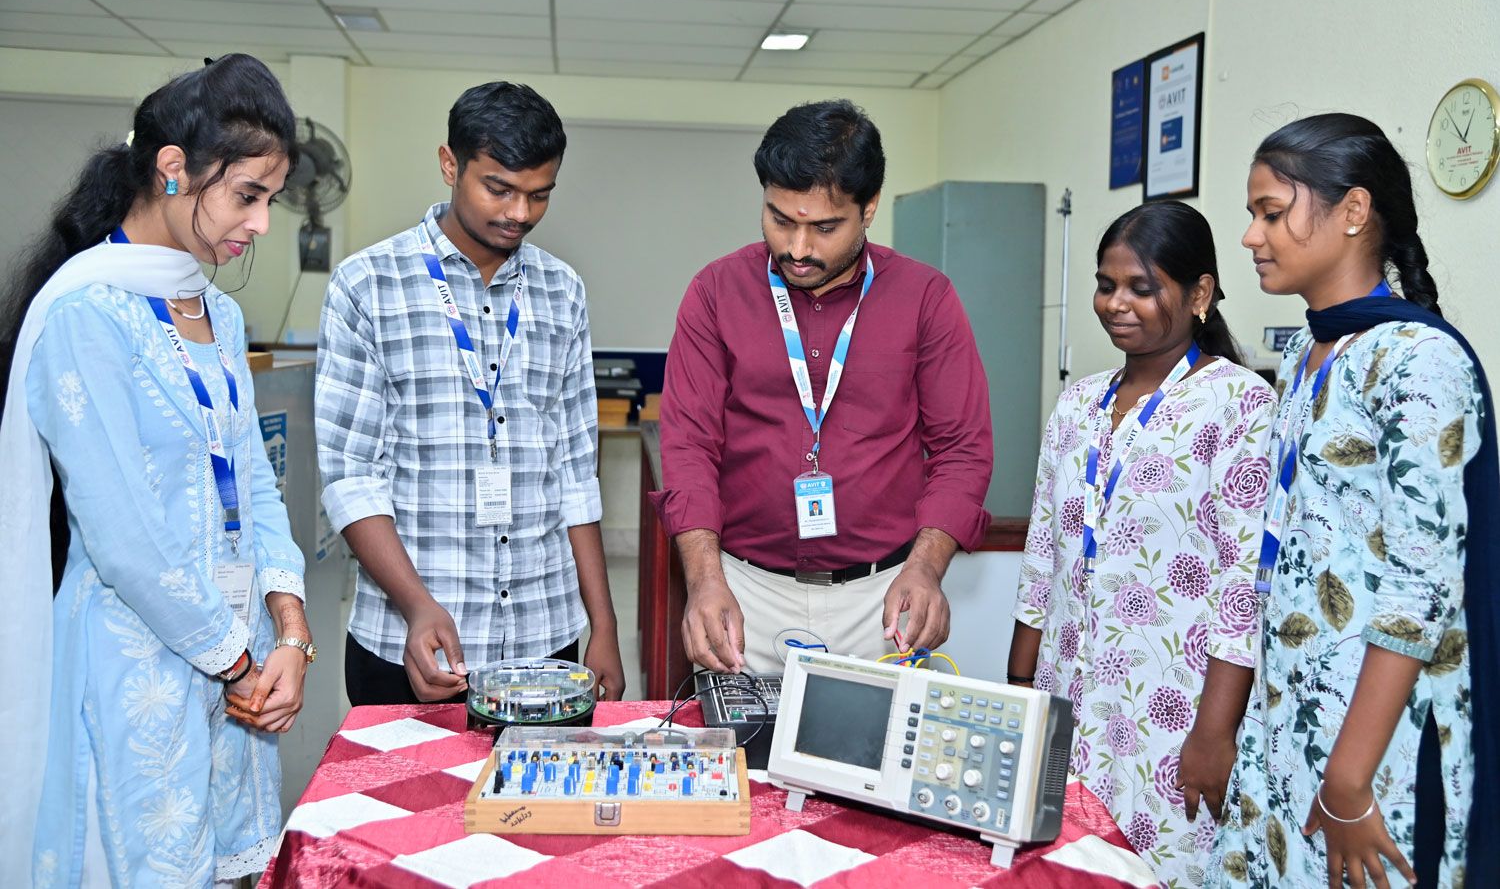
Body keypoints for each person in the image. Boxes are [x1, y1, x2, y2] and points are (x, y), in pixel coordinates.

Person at [0, 53, 312, 886]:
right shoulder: (85, 314)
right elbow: (124, 535)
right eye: (247, 196)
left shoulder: (219, 310)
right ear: (174, 168)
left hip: (236, 664)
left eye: (271, 200)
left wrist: (289, 633)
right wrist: (241, 663)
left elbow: (252, 477)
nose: (261, 224)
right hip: (135, 665)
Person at [1211, 113, 1496, 889]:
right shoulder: (1306, 354)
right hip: (1290, 717)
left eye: (1272, 213)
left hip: (1375, 749)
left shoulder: (1418, 359)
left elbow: (1421, 587)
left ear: (1354, 211)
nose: (1251, 236)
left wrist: (1348, 779)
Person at [653, 99, 993, 674]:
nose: (798, 248)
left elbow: (962, 449)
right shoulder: (716, 292)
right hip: (743, 596)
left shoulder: (924, 298)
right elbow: (689, 445)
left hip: (884, 600)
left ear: (869, 208)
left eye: (825, 227)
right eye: (780, 220)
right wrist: (705, 579)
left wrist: (926, 567)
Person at [317, 81, 625, 706]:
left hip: (544, 634)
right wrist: (416, 605)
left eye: (540, 194)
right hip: (410, 639)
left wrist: (605, 625)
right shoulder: (367, 285)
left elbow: (575, 473)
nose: (520, 213)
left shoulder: (563, 291)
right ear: (449, 164)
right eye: (499, 188)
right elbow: (351, 478)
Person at [1006, 201, 1272, 886]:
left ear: (1201, 293)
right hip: (1066, 693)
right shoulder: (1079, 403)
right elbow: (1043, 551)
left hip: (1171, 709)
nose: (1116, 304)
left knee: (1158, 870)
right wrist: (1019, 685)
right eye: (1106, 285)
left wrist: (1214, 733)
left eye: (1141, 287)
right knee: (1058, 866)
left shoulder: (1240, 404)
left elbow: (1242, 585)